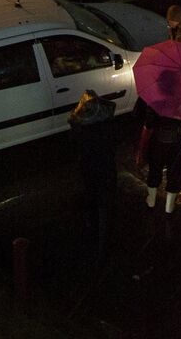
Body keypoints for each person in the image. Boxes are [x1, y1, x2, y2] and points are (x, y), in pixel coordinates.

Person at [69, 90, 119, 259]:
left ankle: (91, 231)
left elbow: (74, 144)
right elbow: (113, 142)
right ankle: (103, 243)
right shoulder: (107, 122)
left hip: (88, 168)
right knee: (105, 203)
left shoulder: (79, 125)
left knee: (91, 198)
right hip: (106, 168)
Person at [138, 102, 181, 215]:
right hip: (177, 140)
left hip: (158, 140)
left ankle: (151, 200)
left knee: (154, 169)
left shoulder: (155, 98)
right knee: (175, 171)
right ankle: (169, 207)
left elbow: (149, 123)